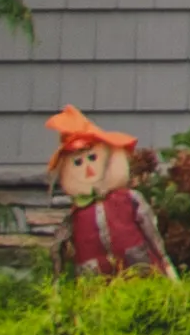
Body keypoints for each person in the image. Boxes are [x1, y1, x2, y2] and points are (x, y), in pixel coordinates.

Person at [48, 108, 167, 280]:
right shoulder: (76, 213)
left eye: (93, 158)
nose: (88, 168)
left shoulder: (129, 199)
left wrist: (165, 263)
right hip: (95, 279)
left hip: (138, 269)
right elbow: (60, 250)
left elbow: (152, 234)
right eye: (78, 162)